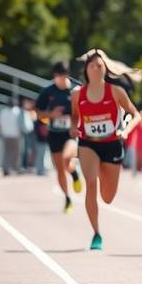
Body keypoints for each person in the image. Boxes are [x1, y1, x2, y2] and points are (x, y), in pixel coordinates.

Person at [70, 50, 140, 251]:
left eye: (100, 65)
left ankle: (102, 171)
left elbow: (135, 115)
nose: (96, 68)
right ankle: (96, 233)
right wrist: (74, 126)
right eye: (92, 65)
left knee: (108, 197)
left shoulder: (116, 92)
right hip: (88, 144)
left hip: (112, 145)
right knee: (90, 183)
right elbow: (75, 116)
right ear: (86, 70)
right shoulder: (77, 95)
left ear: (106, 69)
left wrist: (125, 130)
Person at [36, 62, 82, 212]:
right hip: (54, 133)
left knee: (66, 158)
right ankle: (67, 198)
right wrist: (51, 114)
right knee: (60, 169)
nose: (57, 80)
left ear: (66, 76)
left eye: (60, 77)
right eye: (55, 77)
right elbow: (38, 113)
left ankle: (74, 174)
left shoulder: (76, 90)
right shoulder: (48, 91)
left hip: (70, 133)